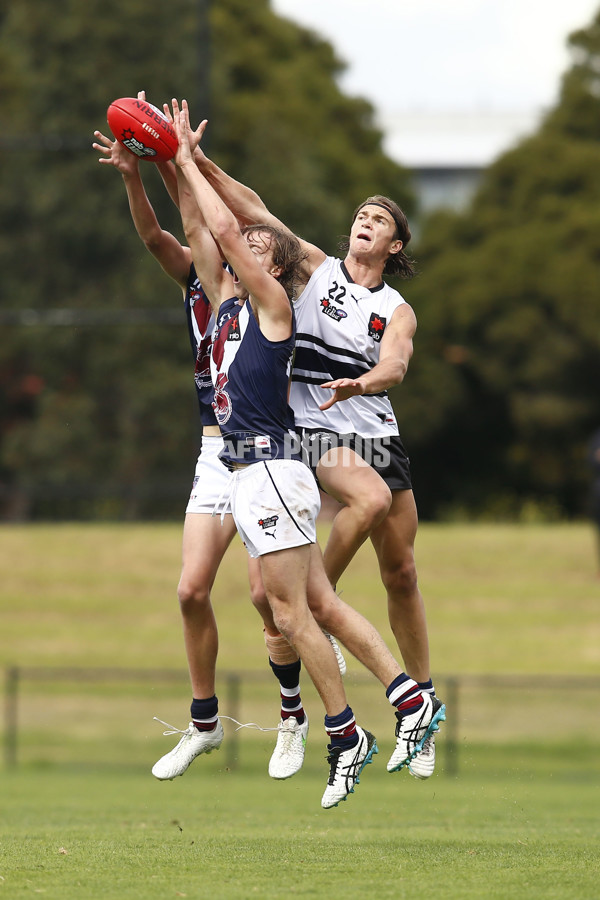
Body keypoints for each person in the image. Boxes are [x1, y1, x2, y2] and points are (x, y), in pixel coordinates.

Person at [172, 99, 444, 808]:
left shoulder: (393, 309)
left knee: (401, 569)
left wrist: (366, 379)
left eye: (382, 219)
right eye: (363, 212)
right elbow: (246, 208)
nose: (367, 220)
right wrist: (194, 160)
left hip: (367, 428)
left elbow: (396, 367)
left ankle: (414, 700)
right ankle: (370, 701)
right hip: (307, 430)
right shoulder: (314, 271)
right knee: (289, 596)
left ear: (394, 244)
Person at [91, 122, 314, 784]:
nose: (240, 240)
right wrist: (148, 165)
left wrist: (180, 157)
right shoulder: (203, 283)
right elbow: (174, 232)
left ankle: (291, 717)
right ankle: (204, 722)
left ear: (271, 262)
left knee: (264, 599)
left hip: (268, 451)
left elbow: (205, 217)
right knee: (190, 590)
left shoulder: (272, 301)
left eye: (256, 241)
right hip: (215, 453)